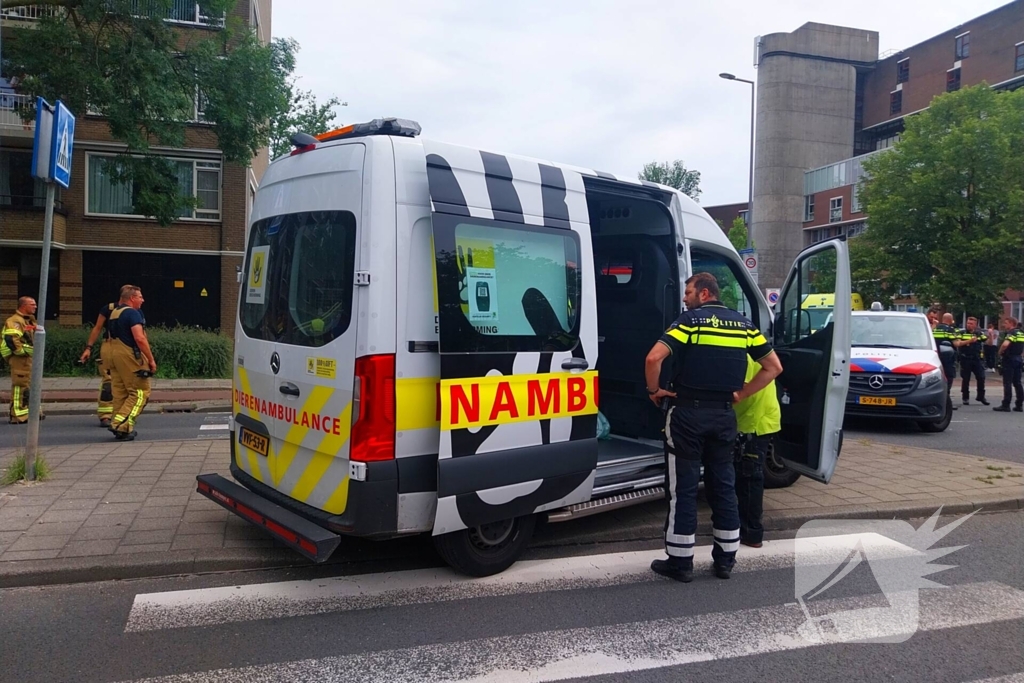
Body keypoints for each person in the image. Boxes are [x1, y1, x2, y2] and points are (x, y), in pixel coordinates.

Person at [644, 272, 782, 582]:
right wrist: (742, 393)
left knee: (684, 490)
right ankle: (725, 561)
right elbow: (774, 367)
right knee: (724, 486)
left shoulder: (690, 322)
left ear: (705, 294)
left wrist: (654, 391)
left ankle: (680, 563)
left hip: (687, 417)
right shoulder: (745, 326)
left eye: (688, 291)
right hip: (723, 417)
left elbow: (653, 358)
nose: (684, 298)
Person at [730, 356, 781, 549]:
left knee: (749, 479)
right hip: (757, 420)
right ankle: (746, 529)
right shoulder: (755, 349)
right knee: (745, 477)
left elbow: (738, 389)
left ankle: (751, 533)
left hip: (753, 423)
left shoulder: (743, 354)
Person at [107, 285, 156, 441]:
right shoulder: (133, 314)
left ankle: (122, 430)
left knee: (120, 393)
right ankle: (120, 423)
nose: (143, 300)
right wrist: (151, 359)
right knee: (140, 392)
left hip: (113, 354)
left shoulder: (115, 313)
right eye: (140, 297)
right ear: (132, 298)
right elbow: (139, 338)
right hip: (129, 356)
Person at [2, 296, 44, 424]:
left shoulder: (29, 321)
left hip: (28, 359)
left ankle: (31, 412)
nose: (35, 307)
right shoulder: (15, 321)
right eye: (32, 304)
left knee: (30, 385)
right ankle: (17, 415)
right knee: (20, 385)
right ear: (23, 306)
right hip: (19, 359)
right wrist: (23, 352)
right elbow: (11, 340)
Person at [79, 301, 119, 428]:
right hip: (110, 345)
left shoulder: (135, 311)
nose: (142, 300)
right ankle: (105, 415)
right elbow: (97, 327)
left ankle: (120, 414)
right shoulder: (109, 309)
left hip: (128, 349)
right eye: (139, 296)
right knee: (109, 381)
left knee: (127, 382)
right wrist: (88, 348)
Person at [992, 317, 1024, 413]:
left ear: (1011, 323)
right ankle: (1019, 405)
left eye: (1005, 323)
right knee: (1017, 383)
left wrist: (1000, 352)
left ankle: (1006, 404)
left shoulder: (1011, 333)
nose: (1004, 325)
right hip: (1018, 359)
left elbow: (1005, 344)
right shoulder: (1021, 333)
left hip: (1009, 359)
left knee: (1007, 382)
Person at [956, 316, 988, 406]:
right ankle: (965, 397)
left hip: (977, 358)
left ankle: (981, 396)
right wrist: (969, 341)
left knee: (981, 377)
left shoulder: (979, 333)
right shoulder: (961, 333)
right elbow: (958, 343)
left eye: (971, 324)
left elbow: (987, 342)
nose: (969, 325)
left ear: (975, 325)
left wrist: (991, 335)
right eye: (968, 323)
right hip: (965, 358)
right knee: (966, 379)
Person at [930, 310, 959, 409]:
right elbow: (956, 344)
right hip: (948, 359)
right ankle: (946, 402)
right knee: (949, 378)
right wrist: (969, 340)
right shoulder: (950, 330)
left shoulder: (935, 328)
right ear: (950, 320)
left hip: (936, 358)